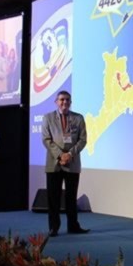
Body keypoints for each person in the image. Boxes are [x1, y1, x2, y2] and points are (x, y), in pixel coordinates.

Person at [41, 90, 88, 236]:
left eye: (67, 99)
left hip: (72, 163)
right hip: (54, 163)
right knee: (53, 198)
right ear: (56, 102)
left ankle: (73, 226)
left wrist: (70, 154)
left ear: (70, 102)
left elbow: (83, 140)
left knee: (71, 197)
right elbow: (46, 139)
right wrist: (60, 155)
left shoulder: (78, 118)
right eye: (62, 99)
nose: (65, 102)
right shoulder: (48, 118)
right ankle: (53, 228)